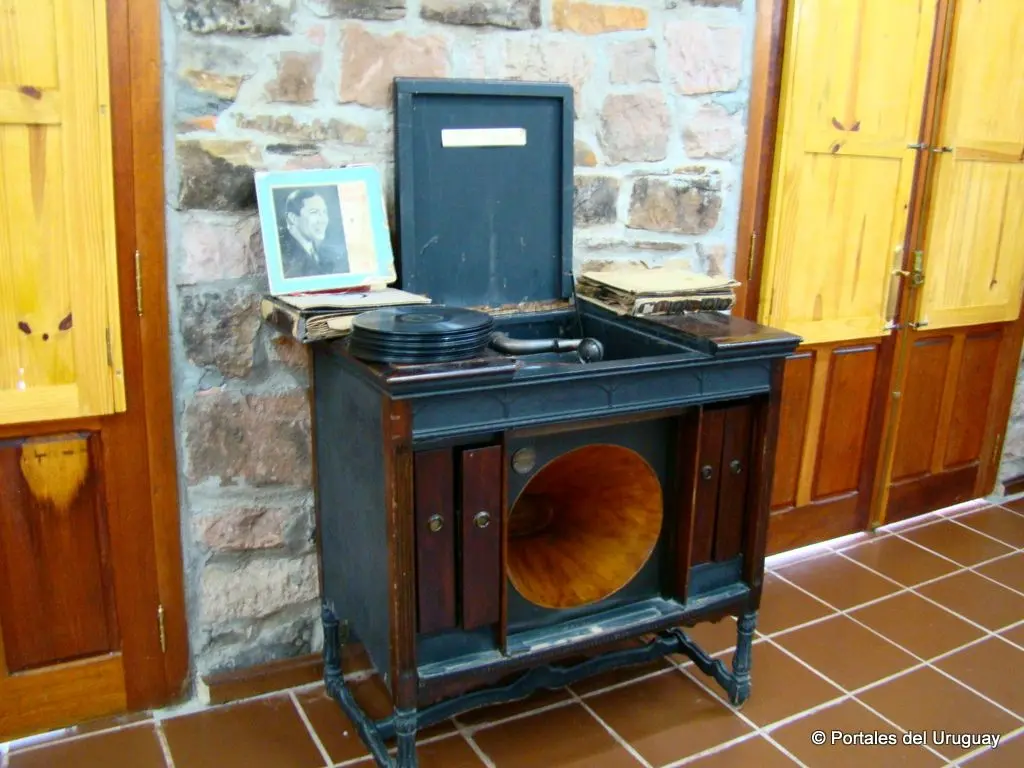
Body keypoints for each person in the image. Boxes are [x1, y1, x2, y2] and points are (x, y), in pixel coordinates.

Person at [278, 188, 349, 278]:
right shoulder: (283, 258)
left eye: (324, 212)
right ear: (293, 218)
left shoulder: (323, 253)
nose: (323, 220)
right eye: (314, 212)